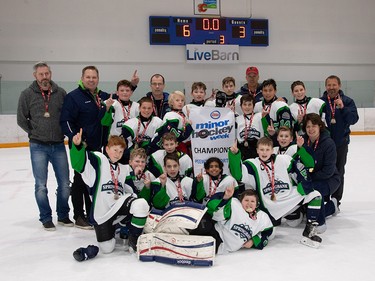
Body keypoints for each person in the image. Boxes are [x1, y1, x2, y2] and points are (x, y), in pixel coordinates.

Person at [229, 137, 323, 248]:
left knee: (315, 195)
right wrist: (234, 155)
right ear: (257, 150)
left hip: (288, 198)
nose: (264, 153)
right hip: (269, 206)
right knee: (271, 234)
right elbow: (238, 175)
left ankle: (309, 230)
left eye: (267, 149)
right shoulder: (252, 164)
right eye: (262, 149)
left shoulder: (284, 159)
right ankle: (291, 216)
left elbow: (307, 165)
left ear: (272, 150)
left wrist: (301, 149)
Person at [70, 132, 149, 253]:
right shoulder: (99, 160)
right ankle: (114, 229)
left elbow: (132, 189)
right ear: (107, 149)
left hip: (119, 207)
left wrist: (137, 175)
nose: (118, 154)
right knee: (107, 248)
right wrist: (77, 146)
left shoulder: (124, 169)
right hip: (102, 212)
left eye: (121, 151)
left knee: (141, 204)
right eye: (115, 150)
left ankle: (134, 240)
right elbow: (78, 165)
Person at [17, 61, 72, 231]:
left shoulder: (60, 93)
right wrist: (34, 132)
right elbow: (21, 118)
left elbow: (66, 115)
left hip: (58, 144)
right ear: (35, 76)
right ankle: (46, 217)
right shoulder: (26, 94)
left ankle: (63, 215)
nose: (44, 77)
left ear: (51, 74)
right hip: (38, 146)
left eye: (46, 73)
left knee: (65, 183)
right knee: (41, 185)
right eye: (41, 74)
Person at [60, 65, 110, 229]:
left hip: (97, 146)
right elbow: (65, 120)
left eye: (94, 77)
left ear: (98, 79)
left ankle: (91, 213)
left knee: (94, 180)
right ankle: (79, 216)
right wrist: (74, 136)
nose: (91, 80)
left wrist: (132, 85)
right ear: (82, 78)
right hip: (81, 145)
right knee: (80, 180)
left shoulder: (101, 96)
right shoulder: (73, 97)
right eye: (88, 77)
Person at [191, 189, 274, 254]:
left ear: (257, 204)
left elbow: (268, 232)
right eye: (246, 200)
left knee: (204, 249)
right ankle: (185, 231)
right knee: (204, 226)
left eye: (252, 201)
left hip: (222, 246)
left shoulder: (262, 217)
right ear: (241, 201)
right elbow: (213, 209)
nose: (249, 203)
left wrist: (253, 241)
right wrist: (225, 198)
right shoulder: (235, 205)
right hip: (217, 233)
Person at [321, 75, 359, 207]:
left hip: (340, 144)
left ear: (339, 86)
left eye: (334, 85)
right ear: (326, 86)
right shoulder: (320, 102)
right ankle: (324, 197)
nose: (331, 88)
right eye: (329, 85)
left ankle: (336, 200)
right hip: (323, 145)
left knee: (339, 171)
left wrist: (343, 107)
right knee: (324, 171)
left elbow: (353, 119)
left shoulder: (348, 101)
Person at [302, 113, 340, 232]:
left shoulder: (328, 144)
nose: (311, 129)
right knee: (305, 207)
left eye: (314, 126)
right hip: (311, 178)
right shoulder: (303, 141)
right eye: (308, 126)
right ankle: (332, 206)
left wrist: (309, 178)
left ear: (320, 126)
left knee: (313, 192)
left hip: (330, 179)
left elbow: (328, 171)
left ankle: (320, 222)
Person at [121, 96, 163, 161]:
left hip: (151, 156)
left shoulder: (158, 122)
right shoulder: (130, 124)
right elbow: (125, 145)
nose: (146, 110)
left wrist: (147, 149)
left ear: (152, 109)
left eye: (149, 108)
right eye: (144, 108)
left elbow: (158, 142)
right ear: (139, 108)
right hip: (133, 157)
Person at [235, 94, 264, 160]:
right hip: (243, 149)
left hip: (257, 147)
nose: (247, 107)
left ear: (253, 105)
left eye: (249, 104)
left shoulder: (260, 116)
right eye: (244, 104)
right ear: (241, 106)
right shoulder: (237, 119)